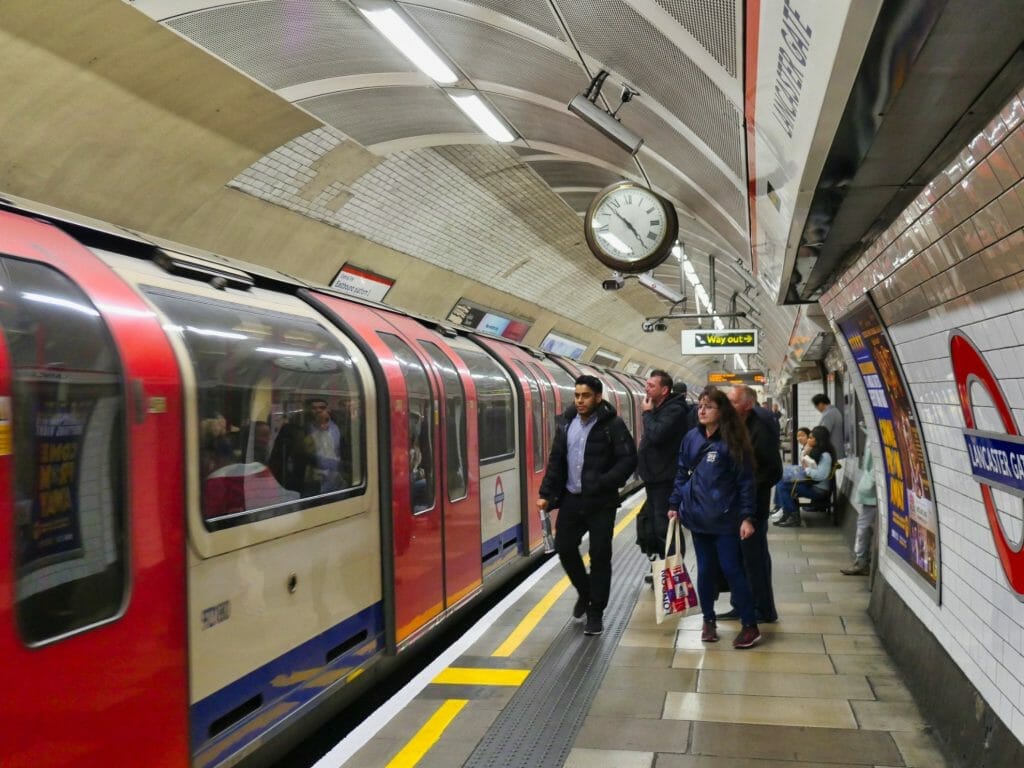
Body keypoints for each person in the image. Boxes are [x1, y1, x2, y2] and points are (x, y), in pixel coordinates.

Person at [537, 375, 637, 637]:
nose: (580, 400)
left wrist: (605, 482)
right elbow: (556, 460)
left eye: (585, 396)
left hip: (600, 501)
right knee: (565, 547)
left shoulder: (611, 425)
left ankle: (596, 612)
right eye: (577, 395)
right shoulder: (567, 423)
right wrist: (546, 493)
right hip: (572, 498)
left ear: (597, 397)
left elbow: (628, 459)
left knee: (600, 555)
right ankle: (585, 591)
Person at [668, 387, 760, 649]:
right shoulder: (690, 439)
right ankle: (708, 620)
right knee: (706, 570)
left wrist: (747, 517)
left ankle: (750, 625)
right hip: (698, 519)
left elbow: (745, 483)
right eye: (700, 406)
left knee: (732, 569)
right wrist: (675, 502)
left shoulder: (733, 441)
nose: (702, 410)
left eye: (708, 406)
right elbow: (681, 473)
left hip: (726, 519)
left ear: (722, 412)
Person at [724, 385, 783, 623]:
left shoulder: (761, 427)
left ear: (747, 405)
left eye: (733, 402)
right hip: (736, 502)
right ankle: (741, 604)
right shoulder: (737, 424)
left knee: (754, 557)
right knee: (738, 557)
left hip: (753, 505)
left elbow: (773, 471)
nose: (728, 406)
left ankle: (764, 610)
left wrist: (747, 489)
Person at [636, 370, 691, 573]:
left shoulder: (675, 410)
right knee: (651, 525)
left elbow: (657, 435)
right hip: (654, 480)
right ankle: (661, 567)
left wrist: (647, 413)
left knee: (665, 527)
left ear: (664, 389)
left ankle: (675, 573)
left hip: (665, 480)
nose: (646, 388)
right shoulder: (661, 409)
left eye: (651, 385)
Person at [773, 426, 836, 527]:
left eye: (811, 438)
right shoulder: (817, 451)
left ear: (818, 440)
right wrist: (806, 451)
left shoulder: (825, 456)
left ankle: (792, 516)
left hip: (819, 490)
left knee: (783, 486)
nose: (809, 440)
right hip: (813, 484)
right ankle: (787, 513)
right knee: (782, 480)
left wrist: (807, 469)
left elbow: (820, 475)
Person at [842, 441, 877, 575]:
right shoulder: (870, 436)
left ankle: (861, 562)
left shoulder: (873, 437)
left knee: (864, 527)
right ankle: (861, 560)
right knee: (864, 526)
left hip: (871, 492)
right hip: (870, 491)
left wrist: (866, 485)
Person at [812, 394, 845, 459]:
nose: (817, 408)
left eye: (816, 406)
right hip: (835, 450)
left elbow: (822, 433)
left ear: (821, 404)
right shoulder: (834, 411)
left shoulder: (829, 414)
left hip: (831, 451)